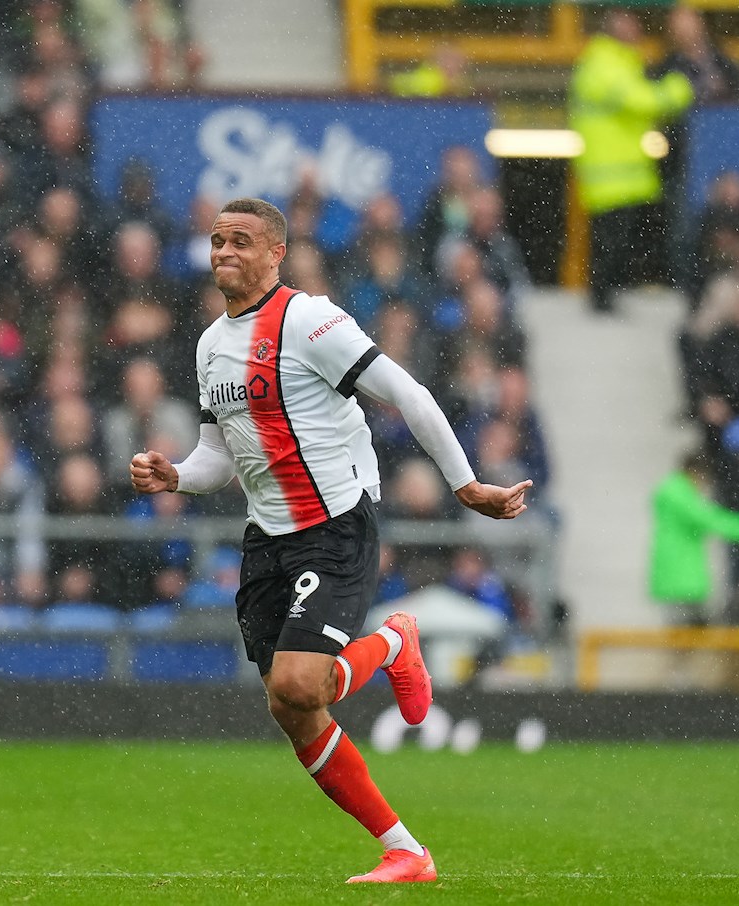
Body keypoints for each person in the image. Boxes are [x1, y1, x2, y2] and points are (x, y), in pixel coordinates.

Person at [130, 198, 531, 884]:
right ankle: (405, 848)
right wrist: (174, 475)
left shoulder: (307, 319)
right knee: (291, 705)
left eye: (240, 242)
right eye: (216, 241)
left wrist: (466, 485)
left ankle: (390, 647)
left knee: (297, 680)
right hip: (267, 538)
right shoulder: (208, 346)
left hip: (333, 525)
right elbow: (216, 458)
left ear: (275, 253)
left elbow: (408, 394)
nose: (223, 252)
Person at [569, 9, 693, 313]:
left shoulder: (619, 62)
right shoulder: (602, 63)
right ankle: (601, 299)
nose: (637, 31)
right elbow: (641, 101)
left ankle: (609, 296)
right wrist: (680, 88)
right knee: (610, 242)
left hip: (625, 175)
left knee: (621, 243)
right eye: (631, 25)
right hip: (610, 176)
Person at [648, 451, 739, 627]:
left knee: (687, 631)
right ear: (695, 472)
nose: (704, 484)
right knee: (687, 632)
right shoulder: (678, 493)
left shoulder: (675, 491)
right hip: (681, 575)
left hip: (679, 573)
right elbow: (708, 519)